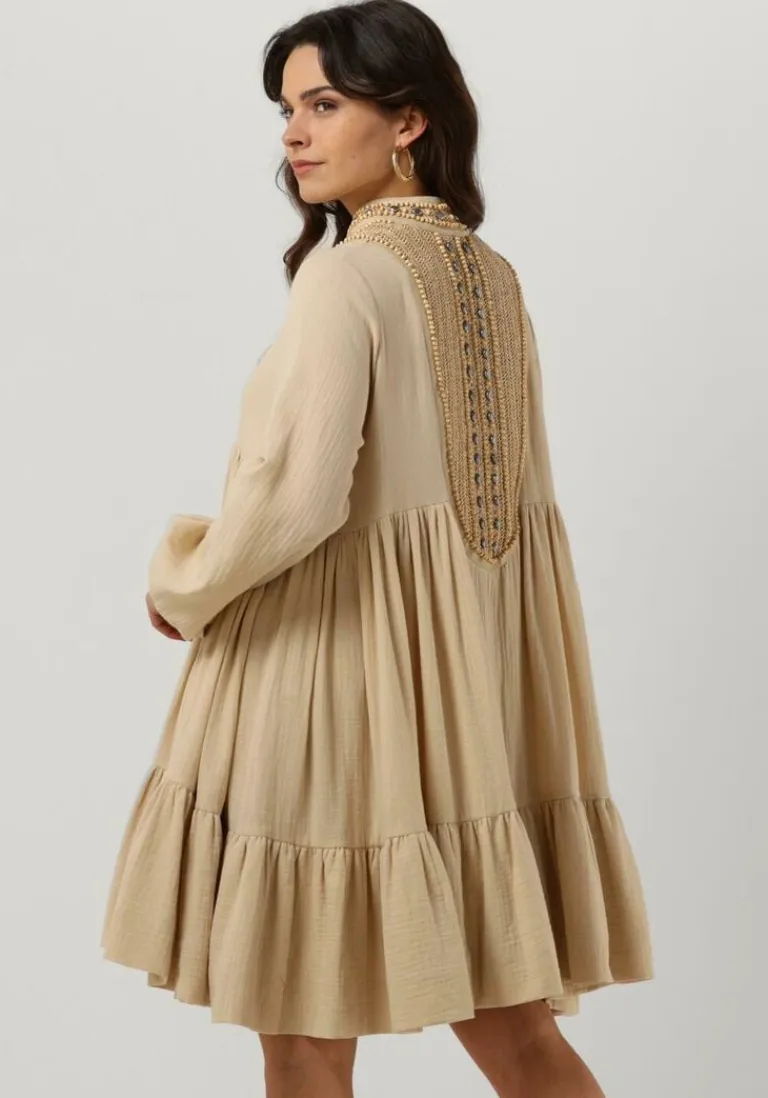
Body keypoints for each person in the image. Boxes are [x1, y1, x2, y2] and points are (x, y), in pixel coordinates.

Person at [101, 2, 653, 1095]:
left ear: (409, 121)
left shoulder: (348, 274)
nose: (294, 134)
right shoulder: (490, 275)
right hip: (467, 705)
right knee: (517, 1032)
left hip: (330, 690)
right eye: (286, 110)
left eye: (323, 104)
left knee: (304, 1037)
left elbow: (295, 496)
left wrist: (188, 581)